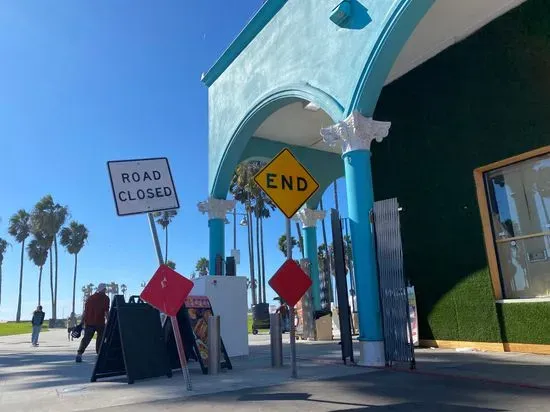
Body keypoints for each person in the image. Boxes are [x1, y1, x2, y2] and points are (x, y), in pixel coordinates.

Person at [76, 283, 110, 363]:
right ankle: (98, 355)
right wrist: (109, 321)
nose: (105, 291)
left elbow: (85, 311)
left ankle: (79, 354)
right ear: (103, 289)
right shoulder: (106, 298)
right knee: (100, 340)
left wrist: (82, 322)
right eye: (105, 289)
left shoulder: (90, 298)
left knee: (86, 339)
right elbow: (106, 311)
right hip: (100, 323)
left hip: (90, 322)